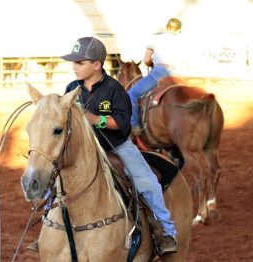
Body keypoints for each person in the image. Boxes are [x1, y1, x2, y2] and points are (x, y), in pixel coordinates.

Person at [27, 36, 177, 255]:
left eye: (80, 63)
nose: (75, 67)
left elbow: (123, 123)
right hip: (82, 148)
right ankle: (50, 230)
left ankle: (164, 230)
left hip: (115, 145)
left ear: (96, 65)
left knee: (146, 181)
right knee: (55, 182)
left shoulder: (115, 90)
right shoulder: (71, 88)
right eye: (74, 62)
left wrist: (97, 120)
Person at [128, 18, 183, 136]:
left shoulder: (157, 39)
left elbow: (147, 59)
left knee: (132, 93)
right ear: (179, 30)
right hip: (177, 75)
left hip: (160, 72)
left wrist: (150, 64)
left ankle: (134, 126)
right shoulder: (182, 40)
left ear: (167, 27)